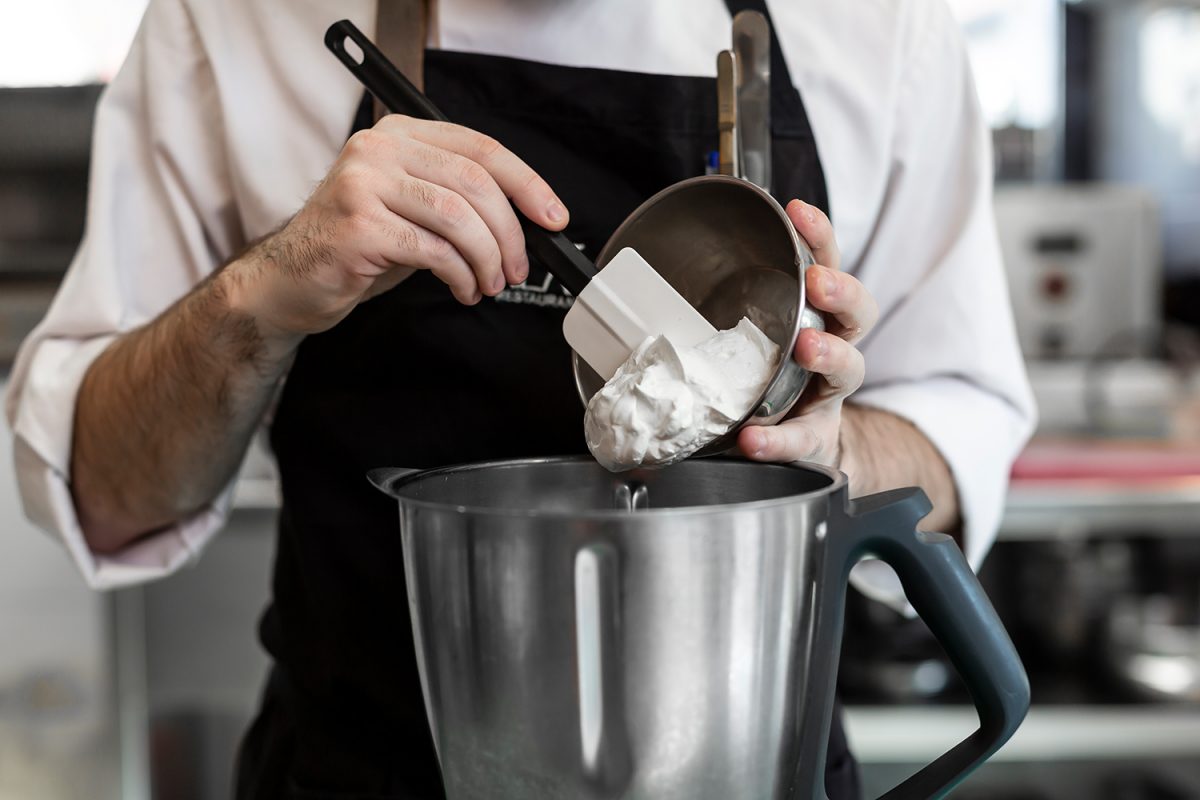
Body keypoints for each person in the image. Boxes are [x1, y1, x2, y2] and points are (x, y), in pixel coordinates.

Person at [6, 0, 1036, 797]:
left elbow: (956, 437)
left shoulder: (874, 26)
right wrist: (262, 292)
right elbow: (106, 492)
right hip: (358, 769)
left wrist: (835, 450)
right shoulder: (236, 22)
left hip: (748, 763)